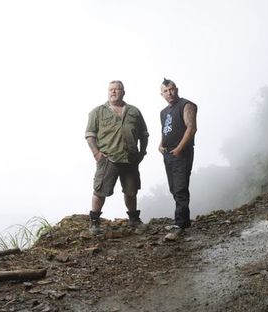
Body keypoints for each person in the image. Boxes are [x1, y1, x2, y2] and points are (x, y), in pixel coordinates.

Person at [85, 80, 149, 235]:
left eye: (117, 89)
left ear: (123, 92)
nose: (113, 92)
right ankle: (94, 222)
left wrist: (142, 152)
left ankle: (134, 220)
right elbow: (90, 135)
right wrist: (96, 153)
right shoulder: (98, 112)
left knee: (131, 191)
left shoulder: (134, 111)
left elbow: (144, 134)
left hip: (131, 159)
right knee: (100, 191)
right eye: (111, 89)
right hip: (108, 159)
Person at [158, 78, 198, 240]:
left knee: (181, 188)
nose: (169, 93)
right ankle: (184, 221)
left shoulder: (187, 105)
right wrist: (160, 145)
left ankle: (179, 225)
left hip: (181, 152)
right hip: (168, 153)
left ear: (177, 89)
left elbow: (191, 127)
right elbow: (166, 130)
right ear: (161, 94)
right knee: (174, 188)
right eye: (166, 91)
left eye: (172, 89)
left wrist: (180, 148)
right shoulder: (163, 112)